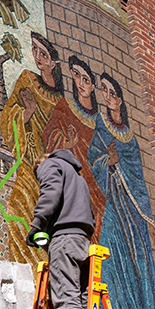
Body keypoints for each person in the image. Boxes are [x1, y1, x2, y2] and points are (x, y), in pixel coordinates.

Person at [87, 72, 155, 309]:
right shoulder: (100, 126)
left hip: (133, 210)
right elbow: (92, 159)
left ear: (120, 98)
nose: (106, 96)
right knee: (113, 266)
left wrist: (150, 221)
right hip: (111, 206)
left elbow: (141, 182)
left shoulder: (131, 137)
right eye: (104, 91)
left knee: (143, 267)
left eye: (111, 92)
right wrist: (107, 161)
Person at [27, 149, 95, 309]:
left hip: (64, 239)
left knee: (66, 300)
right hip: (83, 242)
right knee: (83, 305)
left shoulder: (49, 165)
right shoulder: (79, 178)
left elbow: (50, 193)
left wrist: (36, 225)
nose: (40, 176)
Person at [0, 32, 63, 269]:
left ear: (54, 62)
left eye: (43, 54)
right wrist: (27, 112)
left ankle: (46, 276)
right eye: (34, 50)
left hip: (52, 174)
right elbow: (7, 118)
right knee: (18, 208)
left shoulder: (62, 101)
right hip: (28, 162)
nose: (37, 57)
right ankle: (24, 275)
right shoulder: (27, 79)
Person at [43, 55, 106, 241]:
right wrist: (66, 144)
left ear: (93, 86)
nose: (80, 83)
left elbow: (103, 154)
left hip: (95, 185)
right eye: (76, 75)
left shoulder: (100, 121)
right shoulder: (64, 106)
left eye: (86, 79)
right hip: (71, 179)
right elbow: (48, 137)